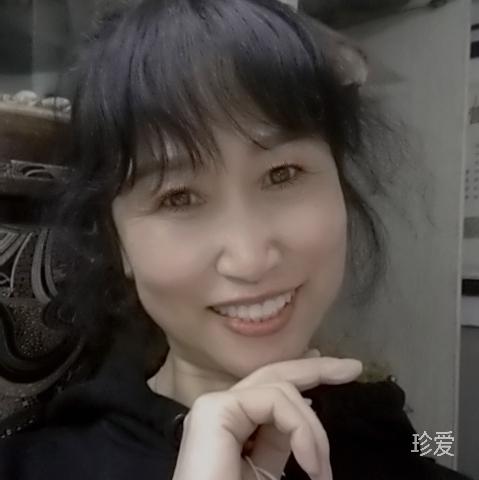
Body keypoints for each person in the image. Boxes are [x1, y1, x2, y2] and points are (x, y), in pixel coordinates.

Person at [0, 0, 474, 479]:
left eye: (282, 173)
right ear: (116, 238)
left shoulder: (383, 437)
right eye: (178, 198)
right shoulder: (36, 469)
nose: (249, 260)